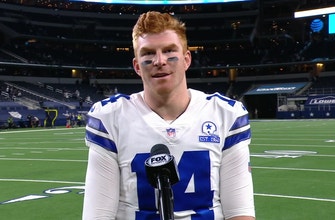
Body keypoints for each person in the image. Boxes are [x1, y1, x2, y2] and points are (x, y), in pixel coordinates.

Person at [82, 11, 255, 220]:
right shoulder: (110, 118)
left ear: (186, 59)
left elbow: (240, 213)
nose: (159, 61)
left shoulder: (225, 114)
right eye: (148, 53)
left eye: (169, 50)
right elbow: (97, 215)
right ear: (137, 66)